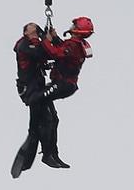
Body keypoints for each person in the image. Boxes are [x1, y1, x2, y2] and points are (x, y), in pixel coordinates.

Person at [25, 16, 95, 169]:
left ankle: (35, 135)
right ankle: (51, 153)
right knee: (53, 118)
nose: (70, 26)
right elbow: (63, 49)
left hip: (63, 84)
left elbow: (55, 53)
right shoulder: (75, 44)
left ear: (77, 30)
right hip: (64, 84)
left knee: (35, 100)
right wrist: (55, 37)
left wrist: (44, 39)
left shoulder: (74, 46)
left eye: (73, 25)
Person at [11, 22, 56, 178]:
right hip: (30, 90)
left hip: (38, 88)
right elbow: (39, 53)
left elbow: (47, 55)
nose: (34, 34)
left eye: (36, 31)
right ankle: (34, 157)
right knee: (39, 124)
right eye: (31, 32)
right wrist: (46, 41)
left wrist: (51, 39)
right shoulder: (24, 45)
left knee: (50, 120)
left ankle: (47, 153)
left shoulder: (34, 44)